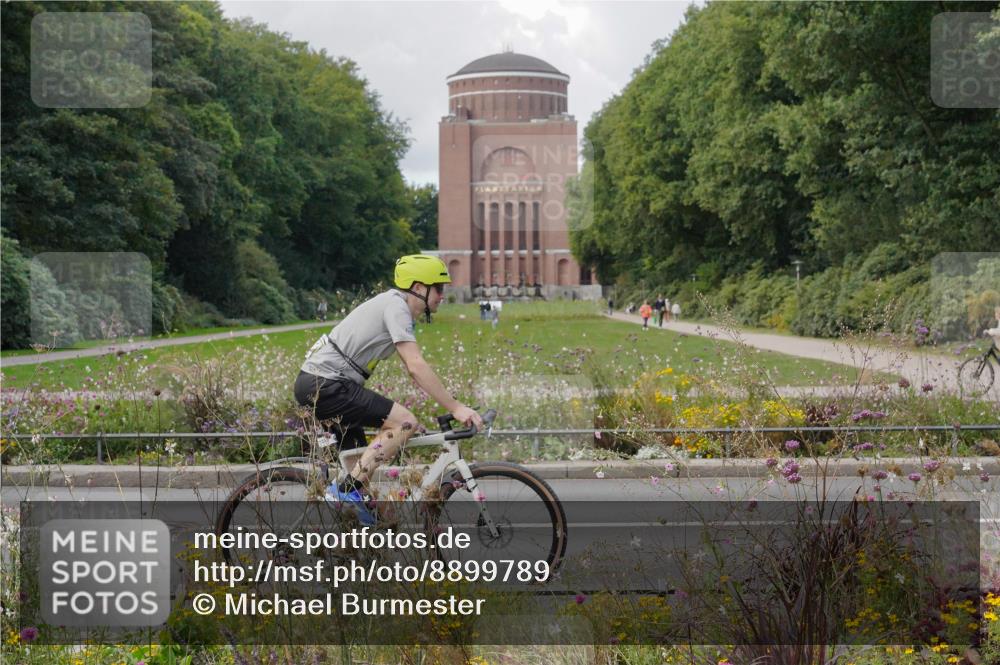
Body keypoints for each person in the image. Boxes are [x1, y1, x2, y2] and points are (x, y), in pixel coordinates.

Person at [294, 255, 483, 524]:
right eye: (439, 288)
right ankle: (342, 494)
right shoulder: (396, 307)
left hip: (322, 383)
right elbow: (415, 365)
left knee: (361, 476)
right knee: (405, 422)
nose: (443, 295)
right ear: (419, 287)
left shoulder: (394, 305)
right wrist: (456, 407)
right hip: (325, 384)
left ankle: (361, 541)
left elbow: (413, 368)